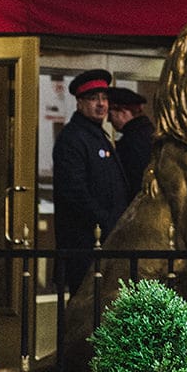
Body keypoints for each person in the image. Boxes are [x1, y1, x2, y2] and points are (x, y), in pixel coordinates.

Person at [52, 69, 128, 296]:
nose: (101, 104)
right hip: (85, 243)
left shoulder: (98, 136)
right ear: (80, 102)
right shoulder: (74, 138)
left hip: (104, 241)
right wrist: (106, 221)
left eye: (104, 98)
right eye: (94, 98)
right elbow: (74, 192)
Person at [109, 87, 154, 201]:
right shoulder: (150, 133)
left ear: (123, 112)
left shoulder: (131, 141)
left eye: (111, 115)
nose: (109, 121)